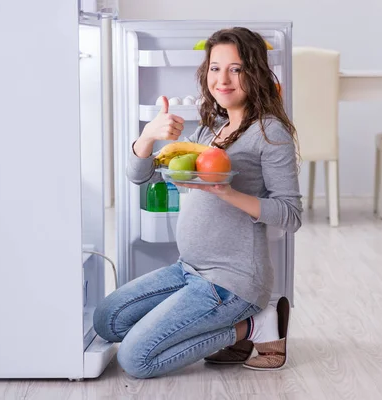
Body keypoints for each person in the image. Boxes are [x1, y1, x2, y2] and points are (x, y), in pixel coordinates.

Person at [93, 27, 302, 379]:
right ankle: (204, 325)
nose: (223, 79)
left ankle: (254, 326)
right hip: (187, 269)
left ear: (256, 74)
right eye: (215, 68)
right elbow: (139, 176)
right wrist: (148, 135)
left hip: (233, 282)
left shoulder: (270, 132)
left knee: (136, 359)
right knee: (107, 319)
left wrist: (228, 193)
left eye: (236, 69)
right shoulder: (210, 131)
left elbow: (291, 215)